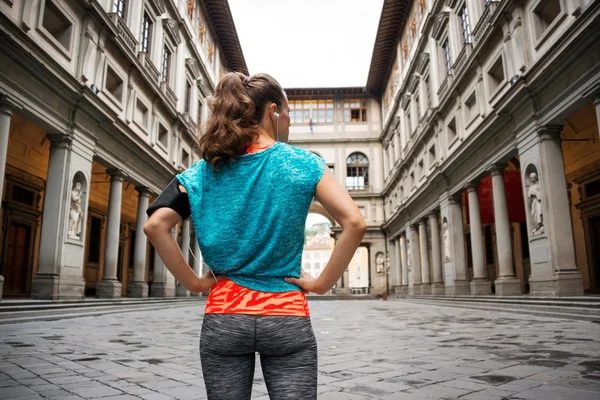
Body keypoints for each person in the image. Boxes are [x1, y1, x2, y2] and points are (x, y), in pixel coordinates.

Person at [143, 72, 366, 400]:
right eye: (288, 113)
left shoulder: (202, 171)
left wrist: (193, 283)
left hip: (224, 316)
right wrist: (321, 284)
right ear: (274, 111)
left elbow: (155, 225)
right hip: (286, 315)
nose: (289, 122)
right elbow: (355, 223)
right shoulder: (305, 164)